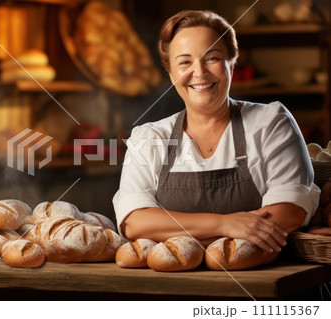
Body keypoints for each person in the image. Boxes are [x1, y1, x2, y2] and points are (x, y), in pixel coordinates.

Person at [112, 10, 320, 270]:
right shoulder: (150, 137)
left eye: (212, 58)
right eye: (184, 62)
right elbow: (135, 223)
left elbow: (288, 212)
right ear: (171, 73)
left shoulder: (270, 122)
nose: (199, 72)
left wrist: (172, 232)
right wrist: (224, 224)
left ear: (232, 62)